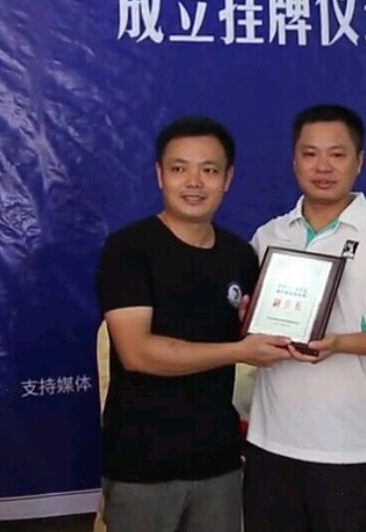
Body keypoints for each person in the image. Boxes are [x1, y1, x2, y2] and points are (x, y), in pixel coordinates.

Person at [243, 104, 366, 532]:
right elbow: (250, 330)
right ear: (294, 161)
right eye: (310, 154)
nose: (323, 167)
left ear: (359, 161)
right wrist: (247, 324)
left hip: (348, 448)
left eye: (337, 154)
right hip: (269, 443)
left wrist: (341, 344)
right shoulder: (270, 236)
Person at [95, 116, 291, 532]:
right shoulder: (129, 250)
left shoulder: (240, 256)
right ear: (159, 175)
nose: (194, 182)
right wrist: (240, 350)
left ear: (228, 178)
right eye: (179, 168)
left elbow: (249, 333)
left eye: (209, 170)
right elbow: (138, 353)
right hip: (143, 467)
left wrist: (258, 328)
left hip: (219, 462)